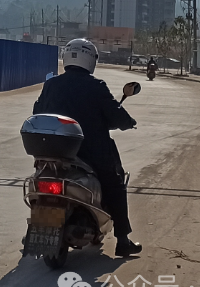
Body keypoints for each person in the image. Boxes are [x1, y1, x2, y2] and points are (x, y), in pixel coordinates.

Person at [32, 38, 143, 257]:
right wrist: (128, 122)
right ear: (91, 60)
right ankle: (122, 240)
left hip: (53, 152)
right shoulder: (96, 86)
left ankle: (39, 229)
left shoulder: (51, 84)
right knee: (115, 184)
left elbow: (37, 112)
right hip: (90, 153)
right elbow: (116, 115)